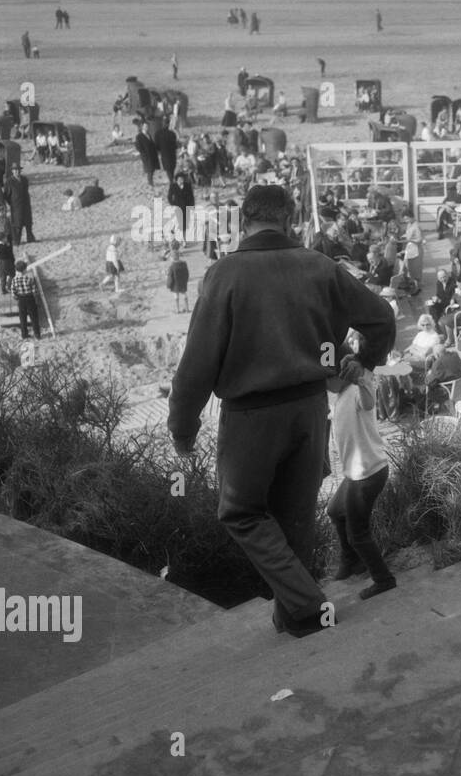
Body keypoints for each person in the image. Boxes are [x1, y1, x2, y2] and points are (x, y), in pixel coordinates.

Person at [167, 185, 396, 638]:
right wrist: (364, 360)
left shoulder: (224, 274)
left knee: (241, 512)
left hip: (252, 416)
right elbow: (382, 318)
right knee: (295, 519)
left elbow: (197, 364)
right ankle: (295, 619)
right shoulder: (321, 267)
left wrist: (183, 426)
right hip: (311, 411)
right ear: (290, 220)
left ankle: (308, 605)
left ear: (244, 220)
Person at [326, 331, 398, 601]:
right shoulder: (340, 397)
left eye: (327, 379)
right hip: (356, 473)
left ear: (341, 375)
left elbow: (369, 401)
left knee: (358, 532)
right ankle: (351, 561)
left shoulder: (357, 391)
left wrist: (362, 378)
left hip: (368, 473)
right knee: (334, 510)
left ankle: (383, 579)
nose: (325, 385)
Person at [4, 163, 34, 245]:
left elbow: (26, 191)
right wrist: (11, 203)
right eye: (15, 170)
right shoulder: (9, 181)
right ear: (12, 171)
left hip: (26, 204)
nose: (17, 171)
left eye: (18, 170)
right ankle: (16, 240)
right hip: (16, 205)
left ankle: (30, 238)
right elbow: (6, 195)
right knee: (17, 223)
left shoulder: (24, 179)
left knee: (28, 221)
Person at [11, 260, 40, 341]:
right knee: (34, 317)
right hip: (30, 298)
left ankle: (24, 334)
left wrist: (17, 298)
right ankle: (37, 334)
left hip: (21, 299)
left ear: (16, 270)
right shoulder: (29, 279)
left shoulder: (14, 280)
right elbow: (34, 291)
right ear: (25, 270)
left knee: (22, 318)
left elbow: (13, 293)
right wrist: (36, 299)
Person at [166, 242, 190, 312]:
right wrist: (186, 280)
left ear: (172, 258)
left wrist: (169, 285)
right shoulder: (184, 264)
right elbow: (187, 273)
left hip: (175, 284)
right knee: (184, 294)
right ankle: (187, 308)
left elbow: (170, 277)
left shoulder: (172, 267)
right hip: (183, 282)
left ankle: (177, 309)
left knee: (176, 295)